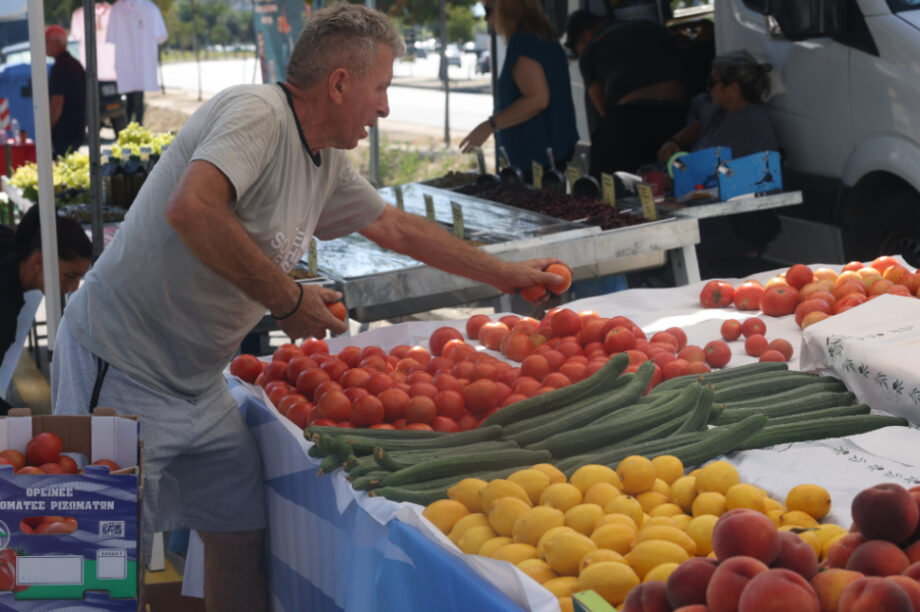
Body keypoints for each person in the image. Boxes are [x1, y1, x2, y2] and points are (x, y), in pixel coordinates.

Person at [50, 4, 566, 610]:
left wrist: (508, 273)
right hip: (119, 369)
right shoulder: (257, 113)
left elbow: (397, 229)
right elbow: (192, 209)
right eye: (381, 89)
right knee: (86, 577)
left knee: (241, 533)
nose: (385, 107)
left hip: (197, 386)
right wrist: (288, 297)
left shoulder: (325, 161)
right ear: (340, 83)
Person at [657, 50, 782, 274]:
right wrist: (675, 140)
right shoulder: (721, 112)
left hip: (732, 223)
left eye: (712, 82)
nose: (708, 88)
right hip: (701, 209)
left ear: (733, 87)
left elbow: (739, 178)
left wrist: (675, 184)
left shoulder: (753, 124)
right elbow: (700, 126)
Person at [459, 0, 577, 178]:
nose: (486, 18)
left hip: (535, 159)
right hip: (551, 153)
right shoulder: (544, 37)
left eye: (488, 9)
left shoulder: (523, 41)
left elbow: (538, 99)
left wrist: (490, 125)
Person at [564, 10, 689, 177]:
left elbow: (602, 109)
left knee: (608, 188)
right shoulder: (653, 27)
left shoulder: (592, 46)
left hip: (629, 118)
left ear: (587, 34)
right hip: (677, 114)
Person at [0, 206, 91, 413]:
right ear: (39, 261)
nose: (75, 287)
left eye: (80, 277)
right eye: (70, 276)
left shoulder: (8, 251)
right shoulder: (4, 304)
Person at [45, 25, 87, 157]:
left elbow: (57, 102)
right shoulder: (75, 64)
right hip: (77, 129)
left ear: (56, 43)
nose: (44, 45)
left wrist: (48, 128)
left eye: (46, 41)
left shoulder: (60, 67)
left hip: (64, 132)